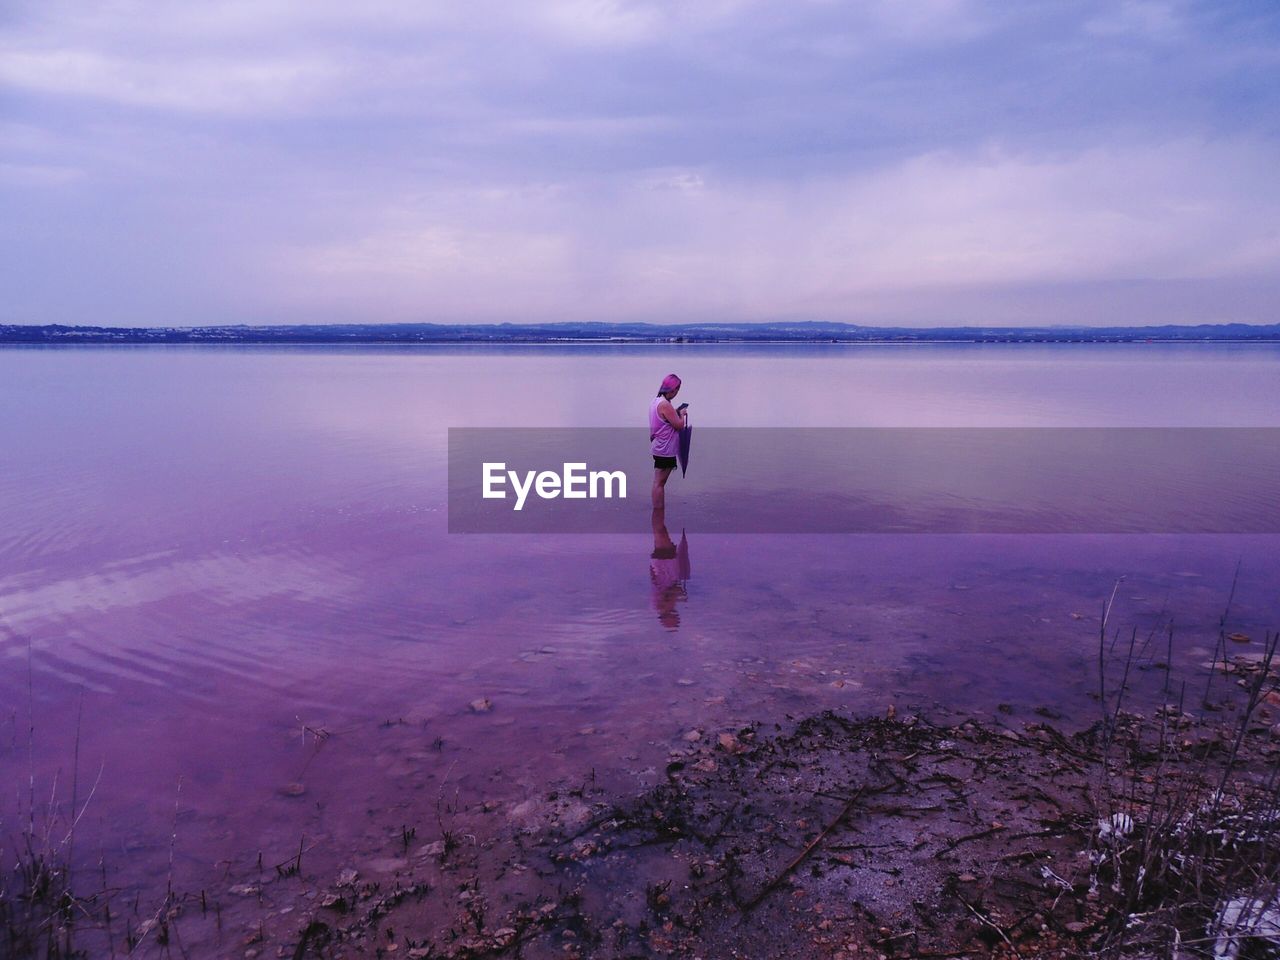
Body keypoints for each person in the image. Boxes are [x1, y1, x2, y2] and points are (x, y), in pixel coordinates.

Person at [649, 373, 687, 509]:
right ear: (672, 389)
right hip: (665, 449)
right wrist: (681, 415)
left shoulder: (656, 401)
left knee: (658, 482)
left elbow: (664, 419)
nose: (677, 392)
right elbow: (679, 425)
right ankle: (658, 510)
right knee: (659, 482)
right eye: (676, 389)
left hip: (658, 446)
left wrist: (675, 411)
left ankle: (658, 512)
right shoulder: (665, 404)